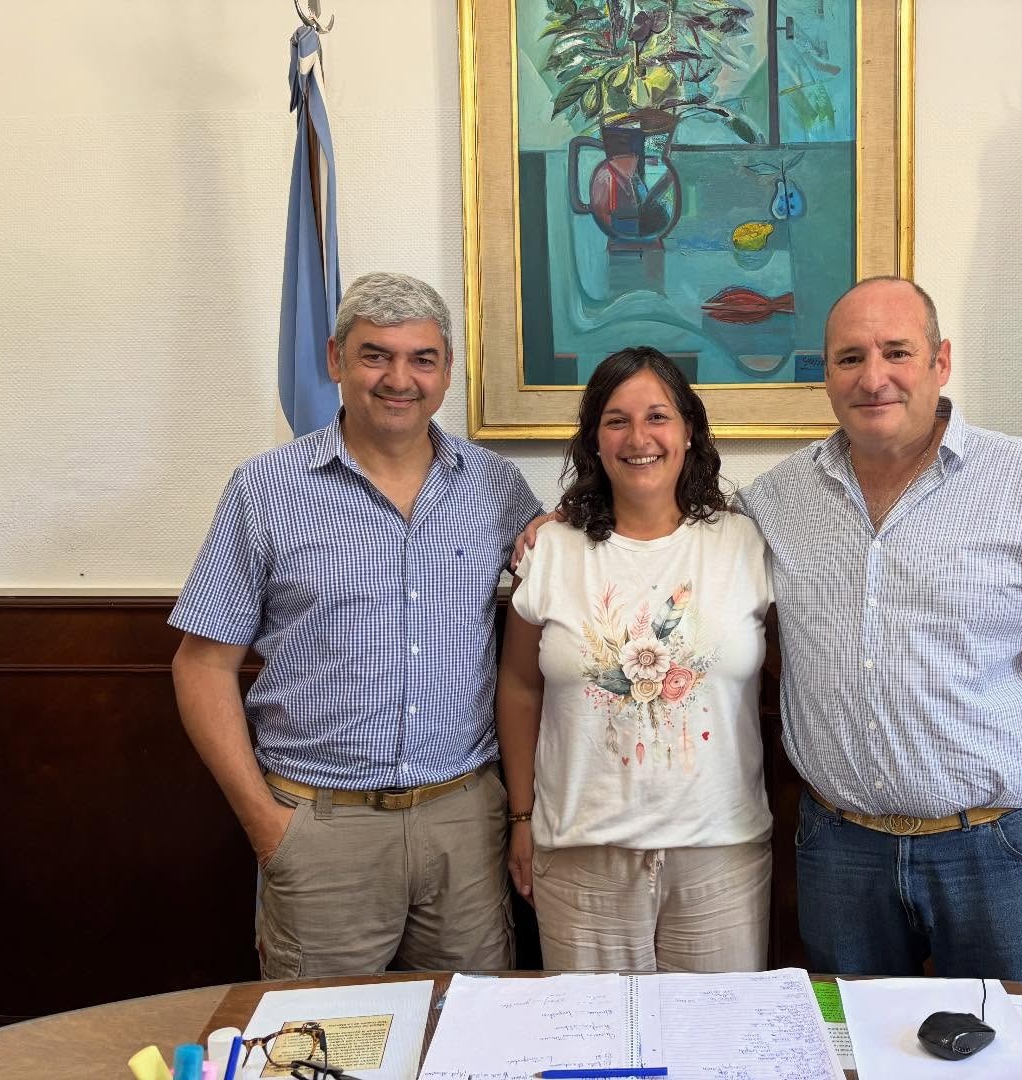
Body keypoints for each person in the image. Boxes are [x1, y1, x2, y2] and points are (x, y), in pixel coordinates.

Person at [737, 276, 1022, 983]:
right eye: (849, 358)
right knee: (854, 1042)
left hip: (1004, 851)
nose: (874, 377)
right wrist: (578, 522)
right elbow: (676, 543)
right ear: (826, 375)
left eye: (897, 352)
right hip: (840, 854)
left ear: (941, 361)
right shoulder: (777, 499)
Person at [169, 271, 544, 978]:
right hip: (319, 827)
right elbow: (201, 666)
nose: (399, 379)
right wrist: (266, 826)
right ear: (336, 360)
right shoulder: (265, 489)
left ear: (447, 371)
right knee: (326, 1032)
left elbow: (565, 580)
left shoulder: (494, 485)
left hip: (464, 827)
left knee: (465, 1027)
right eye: (376, 355)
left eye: (422, 359)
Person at [496, 346, 774, 973]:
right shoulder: (551, 550)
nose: (638, 438)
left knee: (717, 1035)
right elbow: (518, 688)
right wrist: (521, 816)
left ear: (689, 431)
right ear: (594, 441)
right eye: (616, 420)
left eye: (658, 417)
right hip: (580, 857)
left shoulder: (744, 542)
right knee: (590, 1036)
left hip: (720, 857)